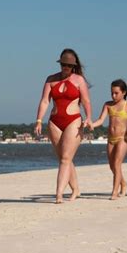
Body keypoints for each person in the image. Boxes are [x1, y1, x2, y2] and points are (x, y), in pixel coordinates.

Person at [35, 48, 92, 204]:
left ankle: (59, 194)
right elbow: (45, 101)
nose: (65, 67)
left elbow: (86, 101)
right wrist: (39, 120)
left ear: (73, 66)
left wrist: (88, 118)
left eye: (68, 65)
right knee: (64, 158)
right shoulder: (50, 79)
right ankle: (76, 189)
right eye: (63, 65)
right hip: (54, 122)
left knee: (66, 158)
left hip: (73, 120)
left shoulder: (79, 80)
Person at [91, 79, 127, 200]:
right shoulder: (108, 105)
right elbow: (101, 120)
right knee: (112, 166)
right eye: (112, 92)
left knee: (117, 164)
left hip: (122, 138)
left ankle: (115, 192)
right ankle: (123, 183)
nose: (113, 95)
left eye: (116, 93)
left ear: (124, 92)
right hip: (110, 138)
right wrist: (91, 124)